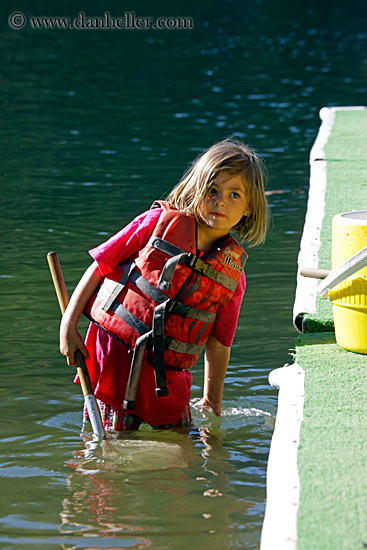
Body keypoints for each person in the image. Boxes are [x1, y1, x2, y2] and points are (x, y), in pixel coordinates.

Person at [60, 138, 269, 432]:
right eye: (212, 189)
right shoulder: (156, 222)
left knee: (177, 458)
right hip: (114, 362)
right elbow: (100, 266)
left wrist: (212, 401)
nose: (220, 200)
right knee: (109, 453)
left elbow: (219, 344)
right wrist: (68, 327)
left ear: (249, 208)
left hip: (167, 381)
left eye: (234, 194)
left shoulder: (232, 278)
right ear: (196, 188)